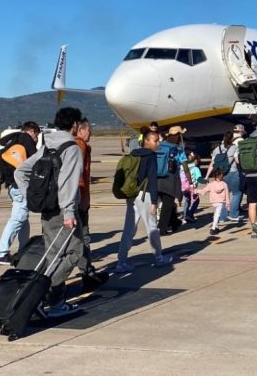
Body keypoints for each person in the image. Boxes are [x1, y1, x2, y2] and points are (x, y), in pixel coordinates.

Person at [13, 107, 86, 315]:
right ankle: (41, 295)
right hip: (63, 212)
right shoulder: (71, 148)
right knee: (74, 252)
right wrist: (70, 212)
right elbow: (67, 182)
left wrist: (33, 196)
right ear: (74, 125)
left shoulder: (48, 144)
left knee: (53, 254)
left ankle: (55, 303)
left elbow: (21, 171)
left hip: (48, 210)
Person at [114, 129, 172, 272]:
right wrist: (153, 201)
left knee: (129, 228)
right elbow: (152, 179)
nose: (157, 143)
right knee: (151, 226)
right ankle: (158, 257)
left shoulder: (134, 153)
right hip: (144, 194)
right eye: (155, 140)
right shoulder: (151, 155)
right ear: (147, 141)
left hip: (132, 194)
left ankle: (121, 261)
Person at [0, 121, 41, 265]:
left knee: (23, 219)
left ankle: (24, 249)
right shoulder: (26, 139)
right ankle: (0, 253)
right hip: (21, 187)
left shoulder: (13, 140)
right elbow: (36, 161)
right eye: (36, 135)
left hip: (12, 186)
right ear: (32, 131)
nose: (37, 139)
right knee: (18, 218)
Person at [73, 118, 107, 290]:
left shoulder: (74, 145)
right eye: (88, 129)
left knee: (79, 238)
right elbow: (78, 174)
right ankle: (86, 273)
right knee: (82, 238)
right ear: (80, 130)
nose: (91, 132)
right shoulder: (80, 146)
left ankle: (87, 271)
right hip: (78, 200)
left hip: (74, 199)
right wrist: (82, 198)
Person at [207, 130, 243, 222]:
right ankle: (233, 214)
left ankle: (222, 217)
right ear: (232, 139)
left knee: (222, 195)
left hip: (220, 175)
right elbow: (237, 160)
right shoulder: (234, 147)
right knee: (237, 193)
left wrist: (207, 176)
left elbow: (212, 163)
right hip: (232, 172)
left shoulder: (216, 149)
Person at [156, 127, 185, 235]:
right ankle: (162, 228)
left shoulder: (159, 146)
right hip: (170, 180)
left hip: (156, 179)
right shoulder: (177, 149)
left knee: (165, 204)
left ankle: (174, 222)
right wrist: (190, 182)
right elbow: (185, 166)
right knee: (167, 205)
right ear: (177, 135)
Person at [200, 169, 231, 236]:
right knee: (217, 215)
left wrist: (196, 191)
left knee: (216, 214)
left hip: (213, 202)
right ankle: (213, 228)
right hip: (220, 202)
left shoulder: (211, 184)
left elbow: (204, 191)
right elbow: (227, 195)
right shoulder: (224, 184)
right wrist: (228, 204)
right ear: (221, 175)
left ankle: (216, 227)